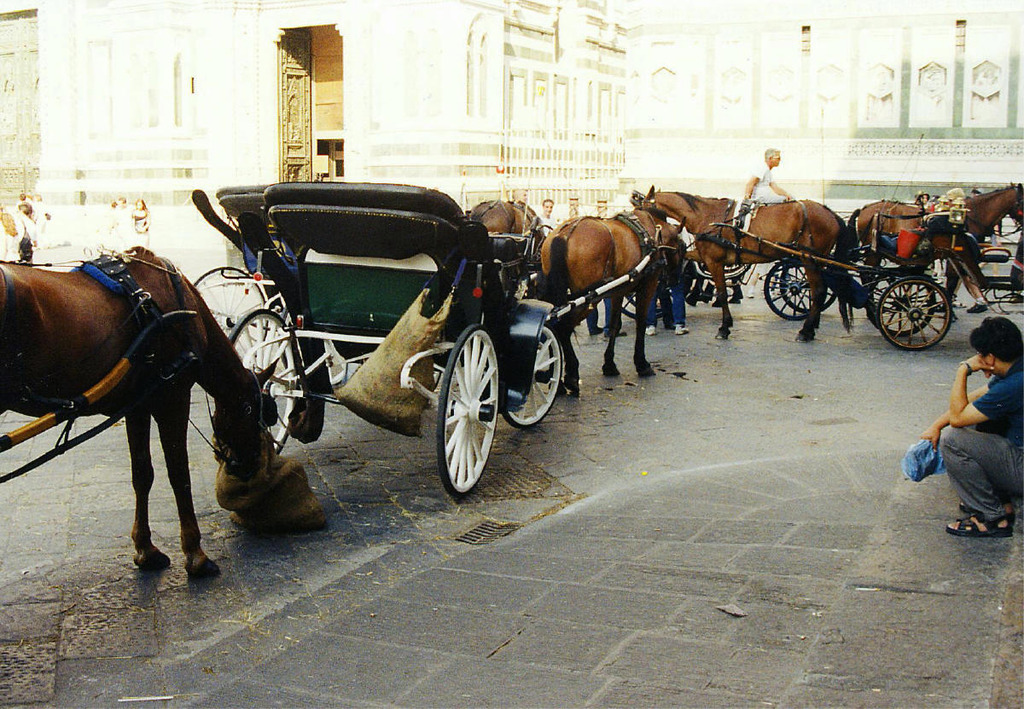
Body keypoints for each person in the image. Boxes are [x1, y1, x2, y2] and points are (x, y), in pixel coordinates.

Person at [921, 316, 1022, 538]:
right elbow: (976, 399)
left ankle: (991, 518)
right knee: (979, 419)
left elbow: (958, 418)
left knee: (953, 440)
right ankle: (1001, 500)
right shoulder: (1015, 368)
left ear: (991, 358)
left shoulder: (1016, 383)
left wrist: (963, 370)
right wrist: (936, 425)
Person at [645, 260, 690, 336]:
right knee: (677, 291)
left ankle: (650, 325)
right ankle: (679, 324)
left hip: (655, 264)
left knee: (652, 294)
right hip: (672, 266)